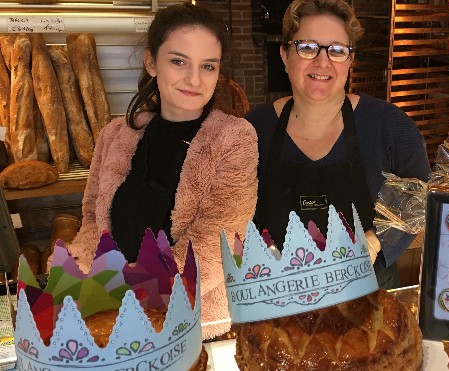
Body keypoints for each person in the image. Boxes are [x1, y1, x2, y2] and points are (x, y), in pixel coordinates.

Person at [63, 2, 258, 340]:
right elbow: (93, 224)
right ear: (151, 62)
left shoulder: (235, 138)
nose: (194, 79)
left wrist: (136, 302)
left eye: (208, 66)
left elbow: (215, 244)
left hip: (193, 324)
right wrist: (87, 283)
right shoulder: (113, 136)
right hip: (113, 319)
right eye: (178, 61)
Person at [245, 0, 430, 289]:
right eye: (307, 47)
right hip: (277, 296)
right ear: (284, 54)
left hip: (369, 298)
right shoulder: (253, 129)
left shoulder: (390, 126)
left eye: (337, 50)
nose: (322, 62)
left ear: (350, 60)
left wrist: (374, 242)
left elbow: (417, 199)